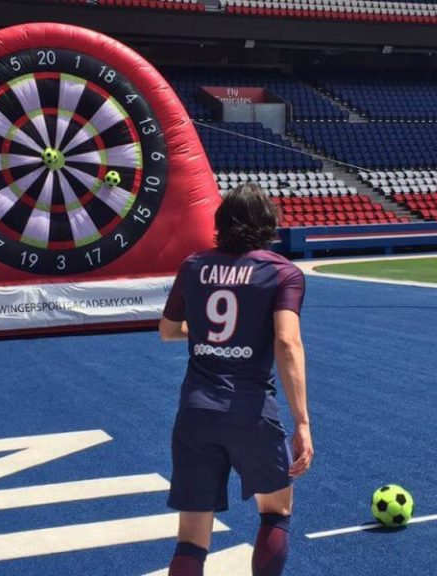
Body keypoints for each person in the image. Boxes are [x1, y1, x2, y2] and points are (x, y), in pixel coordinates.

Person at [159, 183, 313, 576]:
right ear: (268, 224)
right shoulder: (282, 273)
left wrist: (205, 335)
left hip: (195, 411)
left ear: (222, 222)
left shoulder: (193, 265)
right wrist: (302, 422)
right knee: (276, 511)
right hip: (251, 410)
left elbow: (168, 329)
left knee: (191, 537)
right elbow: (287, 341)